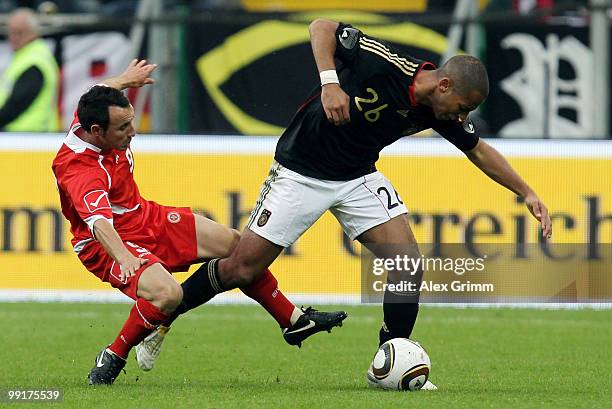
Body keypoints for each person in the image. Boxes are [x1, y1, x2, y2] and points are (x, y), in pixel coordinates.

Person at [141, 19, 554, 389]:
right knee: (241, 267)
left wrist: (528, 192)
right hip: (301, 171)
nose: (462, 116)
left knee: (407, 262)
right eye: (463, 107)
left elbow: (478, 150)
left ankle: (392, 358)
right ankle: (162, 320)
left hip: (357, 176)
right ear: (444, 85)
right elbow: (322, 26)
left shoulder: (440, 111)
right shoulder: (384, 63)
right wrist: (330, 82)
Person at [51, 59, 347, 385]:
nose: (132, 133)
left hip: (144, 216)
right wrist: (125, 259)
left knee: (239, 247)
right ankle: (115, 354)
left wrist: (125, 79)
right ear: (96, 132)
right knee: (168, 295)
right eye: (123, 128)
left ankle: (292, 321)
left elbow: (100, 91)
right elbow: (99, 224)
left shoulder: (91, 113)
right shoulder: (80, 170)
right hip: (106, 243)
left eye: (131, 122)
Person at [0, 8, 60, 131]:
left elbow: (16, 104)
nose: (13, 37)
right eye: (10, 32)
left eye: (19, 32)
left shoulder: (34, 61)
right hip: (26, 136)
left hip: (29, 137)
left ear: (34, 33)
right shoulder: (26, 56)